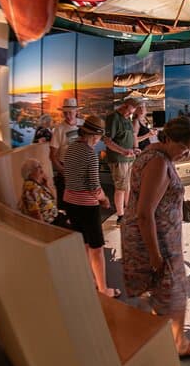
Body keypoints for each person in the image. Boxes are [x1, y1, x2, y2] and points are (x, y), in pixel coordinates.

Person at [121, 116, 190, 357]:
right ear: (168, 139)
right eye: (183, 148)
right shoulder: (158, 163)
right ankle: (178, 343)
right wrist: (155, 256)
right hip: (156, 239)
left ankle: (159, 338)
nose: (187, 154)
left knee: (156, 292)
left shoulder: (153, 154)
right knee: (175, 290)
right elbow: (145, 213)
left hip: (154, 236)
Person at [63, 115, 118, 297]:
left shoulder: (70, 149)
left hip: (70, 202)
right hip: (86, 206)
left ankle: (90, 280)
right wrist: (104, 200)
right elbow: (94, 186)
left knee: (84, 244)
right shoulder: (90, 154)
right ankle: (103, 289)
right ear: (95, 136)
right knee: (96, 247)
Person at [104, 97, 141, 225]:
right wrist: (122, 151)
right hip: (119, 159)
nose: (130, 114)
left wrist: (135, 148)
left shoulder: (127, 120)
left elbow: (132, 136)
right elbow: (108, 141)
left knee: (128, 187)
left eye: (132, 113)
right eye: (129, 112)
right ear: (124, 106)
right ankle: (120, 215)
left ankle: (128, 211)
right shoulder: (113, 118)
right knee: (120, 187)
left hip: (129, 158)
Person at [50, 98, 83, 210]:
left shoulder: (83, 125)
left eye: (70, 112)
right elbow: (52, 156)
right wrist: (63, 172)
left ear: (76, 112)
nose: (68, 116)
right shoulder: (59, 129)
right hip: (66, 167)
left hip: (81, 167)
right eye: (65, 113)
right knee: (66, 204)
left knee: (80, 201)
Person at [18, 158, 57, 223]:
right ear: (30, 172)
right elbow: (35, 214)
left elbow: (54, 199)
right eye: (38, 166)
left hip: (54, 217)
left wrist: (47, 185)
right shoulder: (30, 188)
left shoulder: (38, 184)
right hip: (50, 223)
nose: (42, 168)